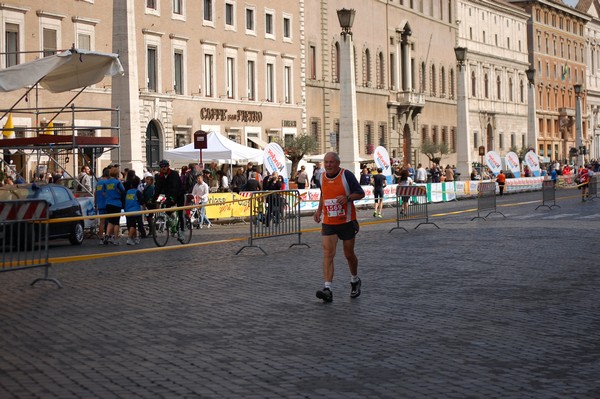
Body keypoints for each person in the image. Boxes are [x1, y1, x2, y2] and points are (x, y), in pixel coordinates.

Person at [313, 152, 365, 303]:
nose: (328, 165)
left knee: (349, 254)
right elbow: (323, 194)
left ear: (338, 163)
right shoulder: (321, 177)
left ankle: (355, 280)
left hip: (347, 221)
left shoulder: (346, 175)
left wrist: (348, 198)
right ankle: (327, 288)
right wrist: (318, 210)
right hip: (329, 222)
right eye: (326, 162)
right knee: (328, 253)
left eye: (331, 162)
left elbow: (360, 193)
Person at [153, 159, 185, 242]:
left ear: (168, 166)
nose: (163, 168)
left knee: (181, 213)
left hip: (179, 194)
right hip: (169, 195)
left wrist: (172, 198)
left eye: (165, 166)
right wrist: (153, 198)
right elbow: (158, 188)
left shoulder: (174, 174)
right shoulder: (160, 176)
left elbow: (175, 187)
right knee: (166, 208)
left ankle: (182, 232)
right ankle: (172, 224)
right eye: (161, 167)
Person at [104, 166, 126, 245]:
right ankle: (116, 238)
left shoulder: (106, 182)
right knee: (116, 222)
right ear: (117, 174)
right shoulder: (117, 182)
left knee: (110, 221)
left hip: (108, 203)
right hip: (116, 203)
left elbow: (104, 192)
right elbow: (123, 191)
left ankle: (107, 235)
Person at [125, 176, 143, 245]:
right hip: (135, 210)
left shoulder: (127, 192)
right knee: (133, 225)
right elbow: (141, 201)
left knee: (131, 225)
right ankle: (129, 238)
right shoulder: (137, 192)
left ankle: (135, 238)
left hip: (127, 210)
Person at [95, 167, 110, 244]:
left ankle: (101, 238)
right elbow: (107, 193)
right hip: (107, 203)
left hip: (100, 204)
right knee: (110, 222)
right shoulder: (107, 183)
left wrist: (95, 204)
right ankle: (108, 236)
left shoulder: (98, 183)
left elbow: (95, 194)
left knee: (102, 222)